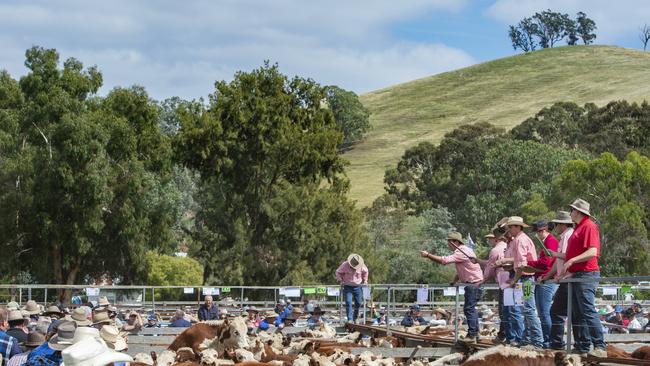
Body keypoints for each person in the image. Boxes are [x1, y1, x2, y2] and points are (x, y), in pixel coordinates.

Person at [555, 198, 607, 357]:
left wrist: (571, 260)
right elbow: (573, 254)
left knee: (587, 310)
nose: (570, 212)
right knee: (577, 312)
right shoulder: (580, 227)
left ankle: (600, 346)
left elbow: (593, 252)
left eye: (571, 210)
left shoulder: (589, 226)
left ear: (578, 212)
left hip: (586, 274)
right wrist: (558, 255)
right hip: (579, 274)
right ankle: (583, 346)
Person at [420, 231, 483, 342]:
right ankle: (476, 333)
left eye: (449, 242)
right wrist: (453, 281)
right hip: (475, 283)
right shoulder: (465, 251)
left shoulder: (461, 251)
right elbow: (463, 270)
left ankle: (472, 334)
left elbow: (444, 261)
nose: (448, 244)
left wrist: (428, 255)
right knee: (470, 309)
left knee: (469, 309)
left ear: (455, 242)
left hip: (473, 284)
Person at [501, 216, 544, 348]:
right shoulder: (520, 239)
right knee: (526, 309)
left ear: (517, 227)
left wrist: (514, 279)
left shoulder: (520, 240)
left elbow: (521, 264)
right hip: (524, 278)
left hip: (525, 279)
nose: (509, 229)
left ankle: (537, 340)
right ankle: (527, 339)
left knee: (528, 309)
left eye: (511, 226)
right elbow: (519, 263)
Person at [526, 220, 559, 349]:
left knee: (544, 313)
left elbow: (546, 263)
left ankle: (548, 341)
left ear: (543, 230)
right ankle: (546, 340)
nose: (538, 234)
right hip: (543, 279)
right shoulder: (548, 241)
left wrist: (530, 263)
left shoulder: (550, 241)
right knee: (542, 312)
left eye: (539, 231)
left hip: (546, 280)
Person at [476, 229, 507, 342]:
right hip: (512, 281)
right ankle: (510, 335)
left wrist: (482, 280)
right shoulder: (506, 247)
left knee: (503, 310)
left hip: (504, 282)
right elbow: (491, 263)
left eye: (490, 238)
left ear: (496, 238)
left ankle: (504, 335)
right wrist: (479, 261)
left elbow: (490, 268)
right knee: (511, 309)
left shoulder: (495, 250)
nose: (489, 241)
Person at [335, 253, 368, 324]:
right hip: (347, 286)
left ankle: (355, 317)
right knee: (348, 302)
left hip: (357, 286)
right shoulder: (345, 265)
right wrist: (340, 280)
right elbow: (338, 272)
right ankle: (350, 319)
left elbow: (365, 272)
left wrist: (365, 280)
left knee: (358, 302)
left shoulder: (362, 266)